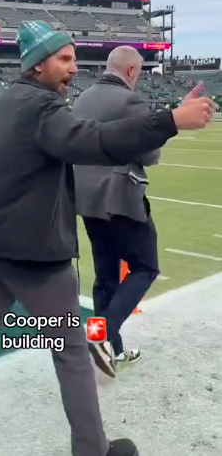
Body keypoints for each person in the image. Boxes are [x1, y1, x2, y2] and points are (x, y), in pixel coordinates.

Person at [0, 21, 216, 456]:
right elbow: (96, 141)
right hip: (35, 258)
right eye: (64, 59)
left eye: (74, 59)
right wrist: (171, 120)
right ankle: (92, 449)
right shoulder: (42, 109)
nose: (73, 68)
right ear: (38, 64)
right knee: (71, 353)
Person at [72, 50, 205, 368]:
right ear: (131, 69)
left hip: (86, 199)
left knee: (106, 278)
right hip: (118, 197)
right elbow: (149, 155)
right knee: (145, 267)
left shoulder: (82, 99)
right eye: (140, 72)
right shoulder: (129, 101)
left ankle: (110, 348)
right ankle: (102, 335)